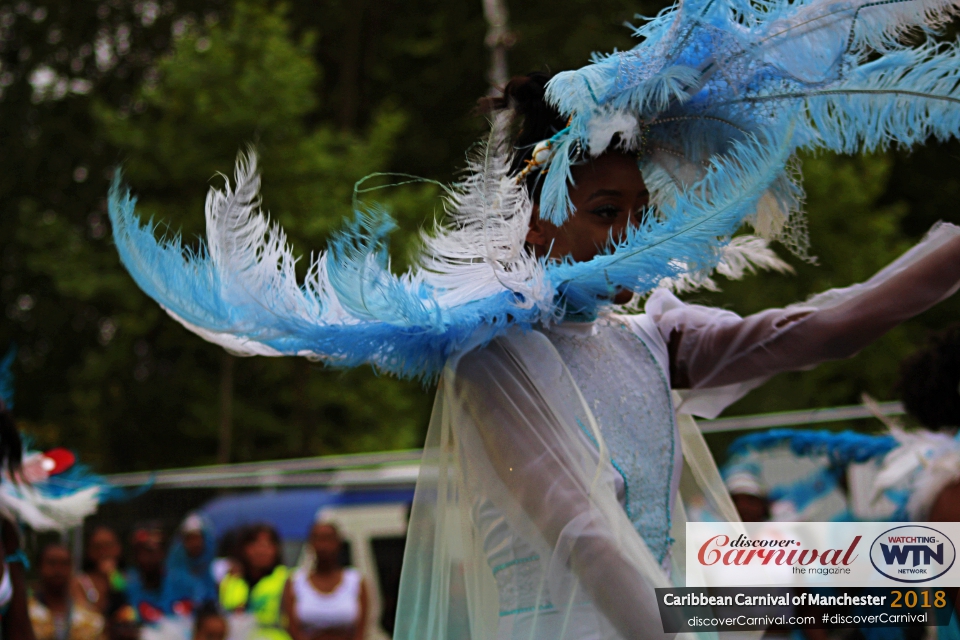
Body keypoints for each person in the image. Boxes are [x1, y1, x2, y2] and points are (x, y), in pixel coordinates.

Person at [108, 0, 960, 635]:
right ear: (532, 210)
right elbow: (586, 533)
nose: (626, 236)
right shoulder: (493, 357)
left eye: (638, 212)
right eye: (600, 210)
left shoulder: (649, 332)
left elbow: (819, 328)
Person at [283, 523, 367, 640]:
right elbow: (292, 629)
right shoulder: (296, 581)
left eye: (328, 539)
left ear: (338, 542)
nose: (323, 546)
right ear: (310, 543)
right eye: (317, 539)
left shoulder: (355, 581)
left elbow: (361, 631)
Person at [219, 524, 290, 640]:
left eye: (267, 545)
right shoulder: (229, 580)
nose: (261, 550)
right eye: (254, 544)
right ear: (243, 548)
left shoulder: (287, 579)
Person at [29, 543, 106, 640]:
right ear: (39, 567)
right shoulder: (25, 616)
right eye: (52, 563)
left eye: (64, 564)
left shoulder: (91, 620)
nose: (58, 570)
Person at [164, 514, 218, 616]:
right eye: (190, 539)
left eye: (198, 538)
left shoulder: (212, 568)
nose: (195, 543)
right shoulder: (173, 571)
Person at [126, 526, 168, 625]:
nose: (149, 558)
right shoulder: (125, 580)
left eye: (153, 551)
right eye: (142, 551)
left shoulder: (177, 581)